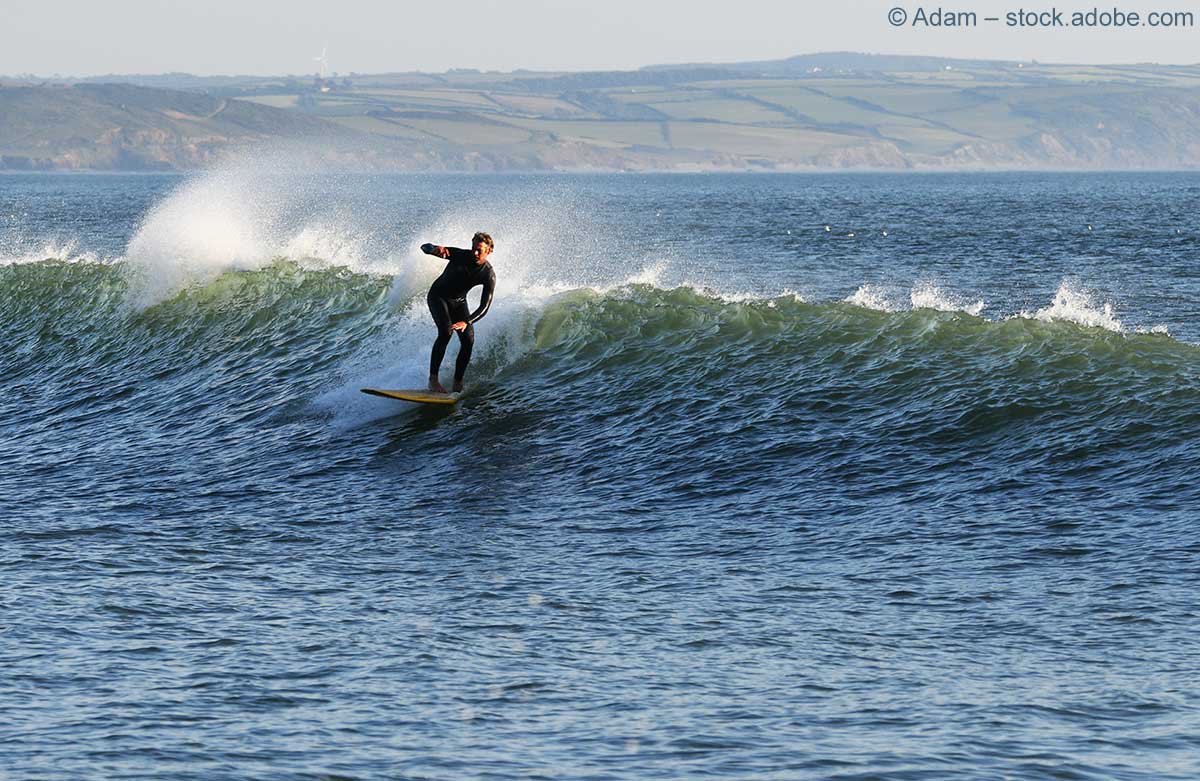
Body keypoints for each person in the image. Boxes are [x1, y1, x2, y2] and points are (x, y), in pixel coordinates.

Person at [420, 232, 496, 394]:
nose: (475, 253)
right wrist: (433, 249)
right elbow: (425, 247)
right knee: (446, 332)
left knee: (468, 339)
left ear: (489, 251)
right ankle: (433, 380)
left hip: (459, 302)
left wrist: (466, 321)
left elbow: (484, 306)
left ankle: (458, 382)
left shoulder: (488, 274)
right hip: (438, 296)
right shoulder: (460, 255)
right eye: (473, 248)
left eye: (479, 250)